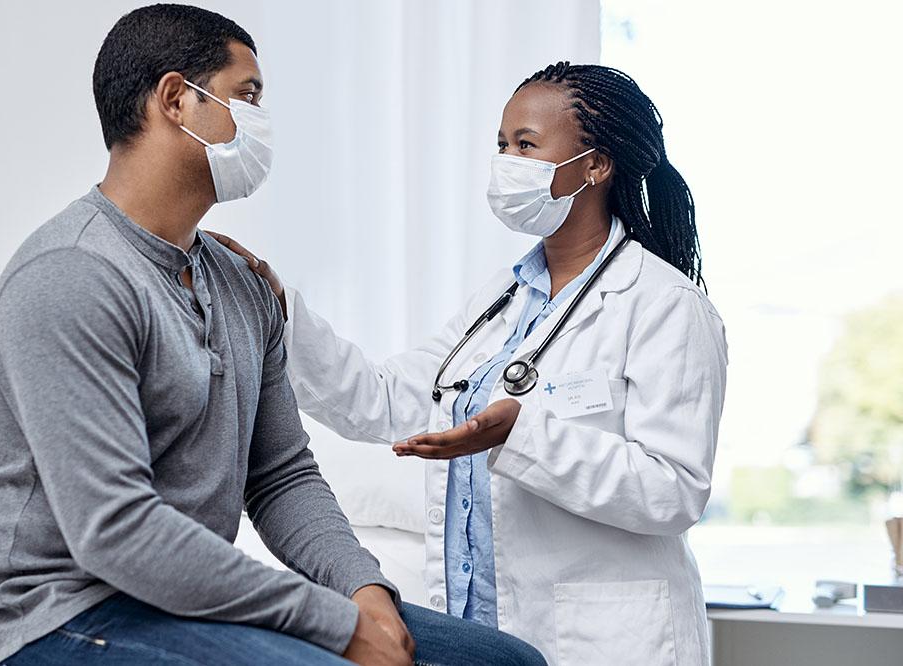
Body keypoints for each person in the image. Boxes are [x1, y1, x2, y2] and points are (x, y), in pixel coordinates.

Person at [0, 4, 545, 666]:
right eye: (249, 95)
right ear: (176, 100)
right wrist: (332, 624)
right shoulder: (71, 276)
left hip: (180, 601)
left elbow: (279, 474)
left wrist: (362, 588)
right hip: (68, 612)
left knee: (504, 663)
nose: (261, 120)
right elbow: (115, 532)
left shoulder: (241, 283)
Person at [214, 62, 728, 666]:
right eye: (502, 145)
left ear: (596, 165)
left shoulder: (665, 304)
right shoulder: (500, 303)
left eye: (527, 146)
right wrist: (282, 311)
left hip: (602, 641)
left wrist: (525, 435)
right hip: (482, 632)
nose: (507, 161)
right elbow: (384, 400)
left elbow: (674, 490)